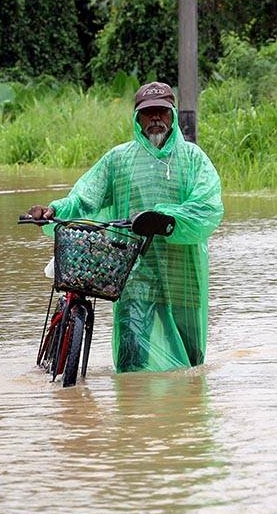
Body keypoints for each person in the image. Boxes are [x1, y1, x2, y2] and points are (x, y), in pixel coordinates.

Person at [24, 81, 224, 373]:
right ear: (137, 118)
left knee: (191, 359)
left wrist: (166, 219)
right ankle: (134, 414)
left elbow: (207, 206)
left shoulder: (193, 159)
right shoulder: (118, 160)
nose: (155, 118)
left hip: (184, 272)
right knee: (132, 348)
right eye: (148, 113)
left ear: (173, 115)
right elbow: (84, 197)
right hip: (135, 271)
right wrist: (55, 209)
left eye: (162, 112)